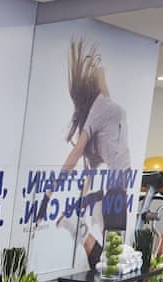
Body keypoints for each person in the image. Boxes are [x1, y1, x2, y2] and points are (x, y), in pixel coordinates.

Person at [41, 40, 132, 269]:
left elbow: (103, 83)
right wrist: (47, 196)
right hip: (115, 190)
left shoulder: (104, 105)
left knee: (112, 261)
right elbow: (75, 155)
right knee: (112, 262)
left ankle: (76, 224)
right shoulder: (99, 110)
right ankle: (75, 225)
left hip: (113, 190)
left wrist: (97, 62)